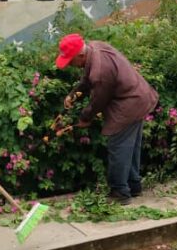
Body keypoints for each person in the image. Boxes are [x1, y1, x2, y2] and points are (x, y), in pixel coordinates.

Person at [55, 33, 158, 205]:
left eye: (70, 61)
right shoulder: (94, 47)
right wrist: (74, 94)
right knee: (129, 147)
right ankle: (133, 186)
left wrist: (84, 118)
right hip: (138, 96)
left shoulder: (100, 71)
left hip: (130, 103)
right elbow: (87, 78)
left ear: (80, 55)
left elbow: (98, 101)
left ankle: (120, 192)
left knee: (118, 146)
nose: (70, 65)